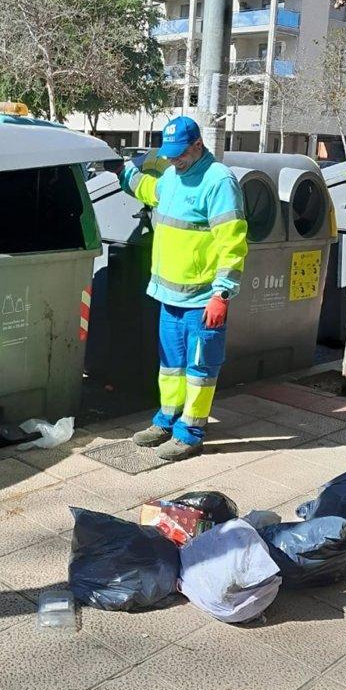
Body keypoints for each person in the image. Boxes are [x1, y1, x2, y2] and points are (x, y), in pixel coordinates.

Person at [111, 116, 248, 461]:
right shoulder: (171, 178)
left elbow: (232, 244)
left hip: (204, 300)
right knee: (171, 365)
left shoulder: (219, 182)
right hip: (169, 296)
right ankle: (166, 420)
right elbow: (147, 188)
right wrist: (124, 172)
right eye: (170, 154)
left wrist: (222, 294)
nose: (174, 160)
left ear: (198, 145)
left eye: (180, 153)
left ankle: (190, 433)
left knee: (200, 370)